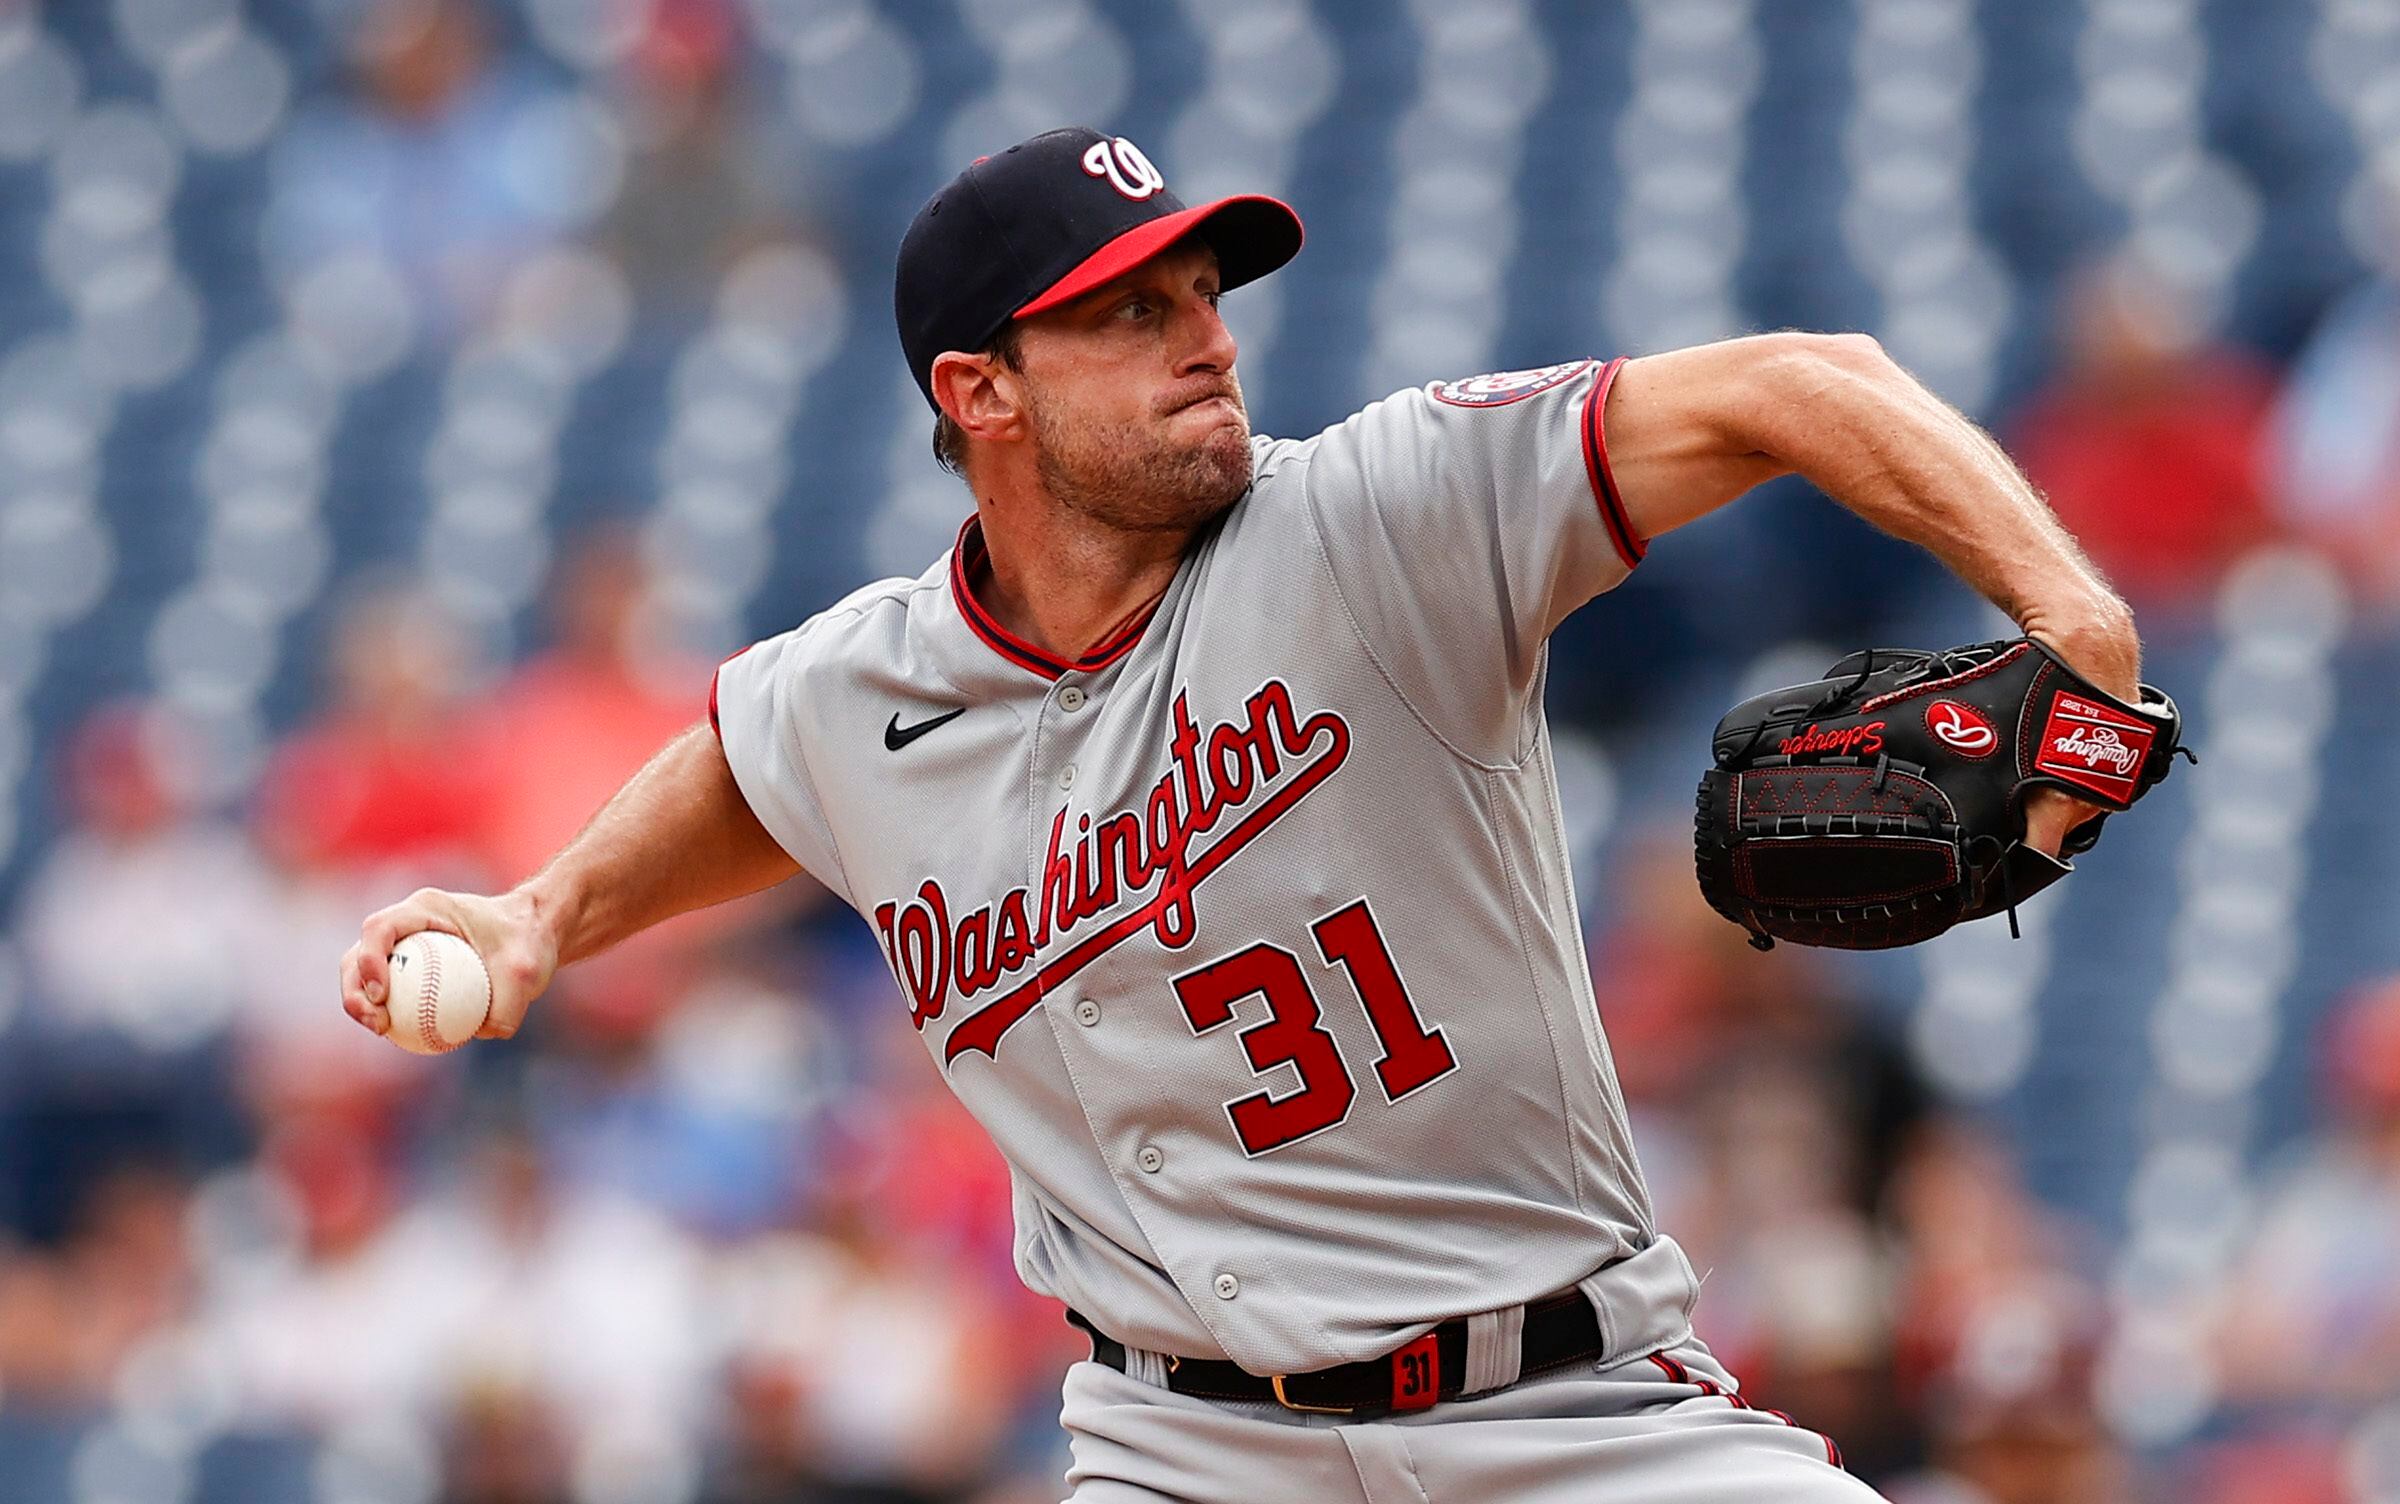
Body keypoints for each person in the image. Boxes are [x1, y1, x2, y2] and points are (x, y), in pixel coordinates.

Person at [340, 127, 2142, 1503]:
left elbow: (1797, 381)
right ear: (982, 397)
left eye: (1205, 293)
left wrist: (2078, 626)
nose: (1205, 340)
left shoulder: (1379, 517)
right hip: (1185, 1453)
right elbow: (751, 762)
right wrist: (540, 918)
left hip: (1568, 1416)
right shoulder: (856, 689)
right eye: (1130, 313)